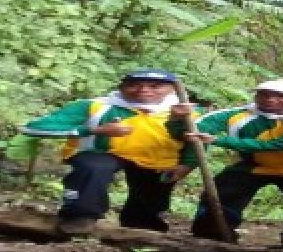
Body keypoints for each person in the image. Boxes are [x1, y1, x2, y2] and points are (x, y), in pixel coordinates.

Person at [21, 69, 192, 236]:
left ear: (172, 89)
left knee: (152, 192)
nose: (143, 90)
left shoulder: (184, 111)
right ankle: (81, 216)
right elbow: (33, 127)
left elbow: (195, 141)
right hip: (102, 152)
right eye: (134, 85)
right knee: (94, 167)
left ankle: (143, 230)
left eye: (154, 86)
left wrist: (187, 164)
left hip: (156, 159)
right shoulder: (95, 106)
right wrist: (94, 130)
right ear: (121, 87)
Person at [175, 79, 283, 247]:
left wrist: (217, 140)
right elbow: (194, 130)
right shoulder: (236, 115)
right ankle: (214, 233)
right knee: (223, 190)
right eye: (263, 94)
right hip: (255, 165)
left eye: (282, 96)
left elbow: (276, 145)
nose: (270, 99)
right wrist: (178, 120)